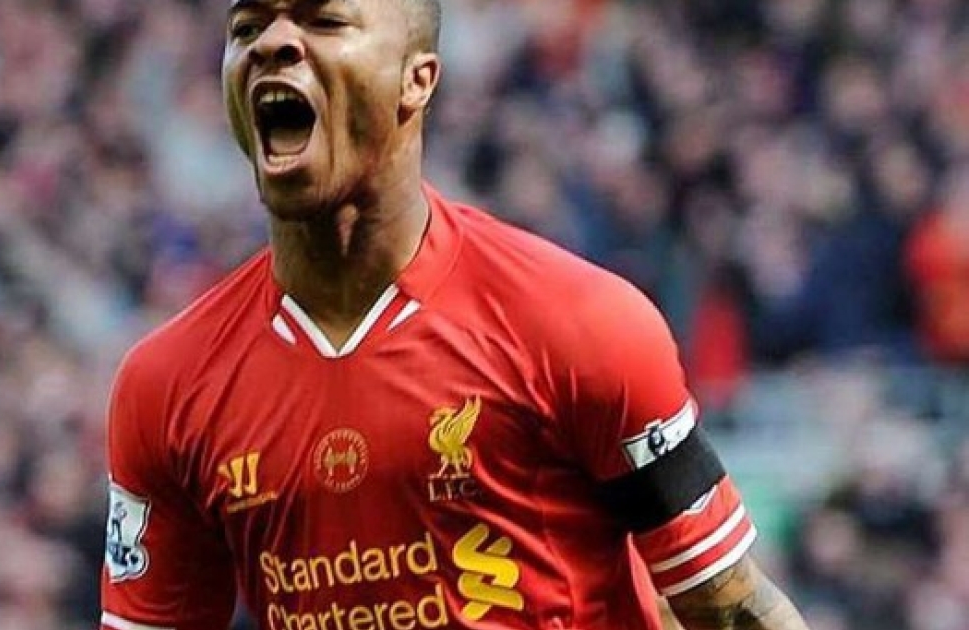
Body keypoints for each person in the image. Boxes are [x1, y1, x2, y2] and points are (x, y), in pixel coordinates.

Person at [100, 1, 813, 629]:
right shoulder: (166, 386)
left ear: (417, 79)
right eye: (247, 27)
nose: (273, 43)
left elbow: (728, 606)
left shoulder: (578, 324)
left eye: (325, 20)